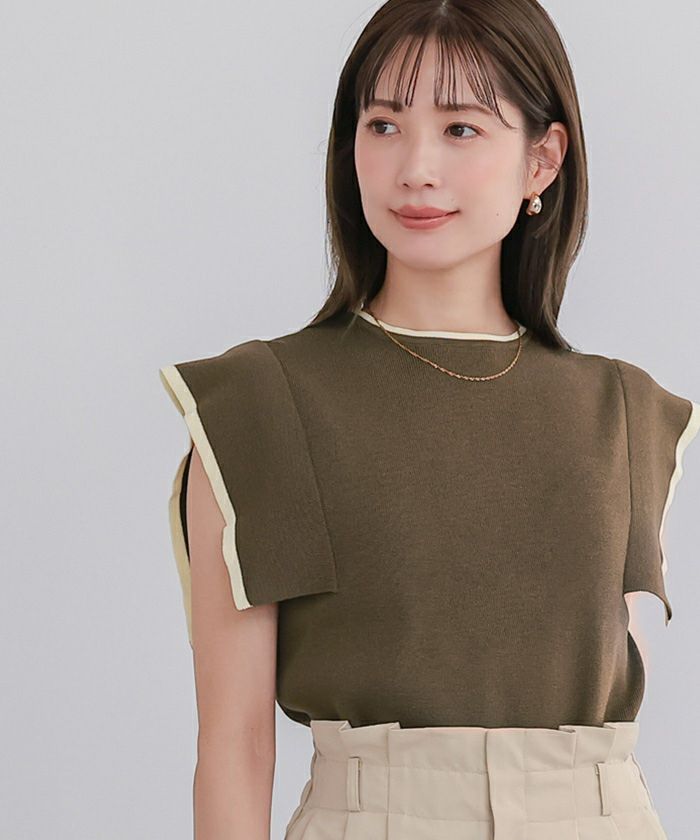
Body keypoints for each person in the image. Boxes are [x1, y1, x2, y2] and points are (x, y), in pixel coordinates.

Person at [158, 1, 699, 837]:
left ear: (542, 160)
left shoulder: (624, 413)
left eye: (460, 129)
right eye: (383, 125)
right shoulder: (261, 405)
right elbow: (233, 747)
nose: (415, 168)